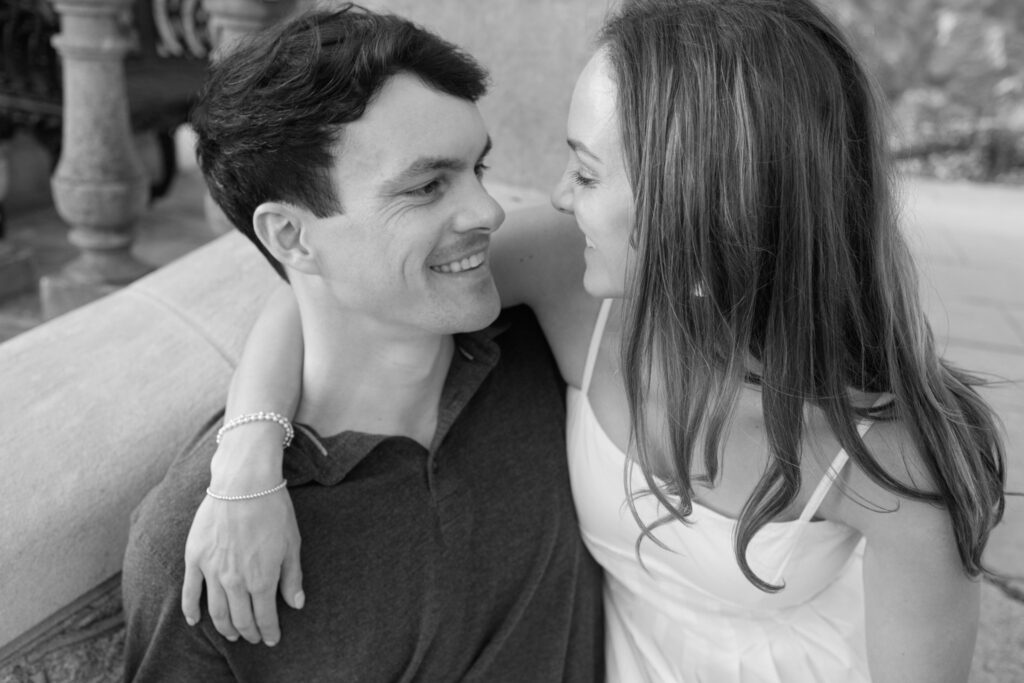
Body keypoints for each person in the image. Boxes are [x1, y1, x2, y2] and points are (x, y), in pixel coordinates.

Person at [187, 0, 1007, 681]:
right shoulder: (568, 275)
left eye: (584, 171)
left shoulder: (890, 453)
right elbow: (336, 287)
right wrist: (247, 463)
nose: (545, 195)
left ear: (695, 204)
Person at [120, 6, 605, 682]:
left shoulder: (528, 340)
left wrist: (250, 439)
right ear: (291, 236)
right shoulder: (200, 548)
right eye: (428, 186)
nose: (489, 211)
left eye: (478, 170)